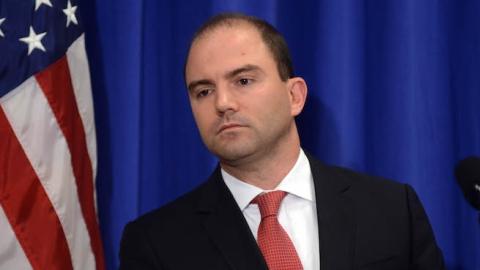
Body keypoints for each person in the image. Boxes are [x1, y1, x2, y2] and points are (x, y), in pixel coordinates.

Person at [119, 13, 445, 270]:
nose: (222, 103)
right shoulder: (156, 243)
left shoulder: (391, 209)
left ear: (294, 96)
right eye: (203, 91)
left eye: (243, 81)